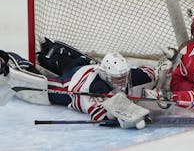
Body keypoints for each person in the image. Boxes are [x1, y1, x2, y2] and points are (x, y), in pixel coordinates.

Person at [0, 39, 156, 129]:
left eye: (123, 76)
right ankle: (7, 60)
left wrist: (153, 91)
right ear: (105, 75)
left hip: (84, 64)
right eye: (116, 79)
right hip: (71, 83)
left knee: (53, 55)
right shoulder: (92, 88)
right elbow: (98, 115)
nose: (121, 81)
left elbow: (150, 73)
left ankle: (50, 53)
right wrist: (120, 116)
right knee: (37, 82)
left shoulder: (129, 75)